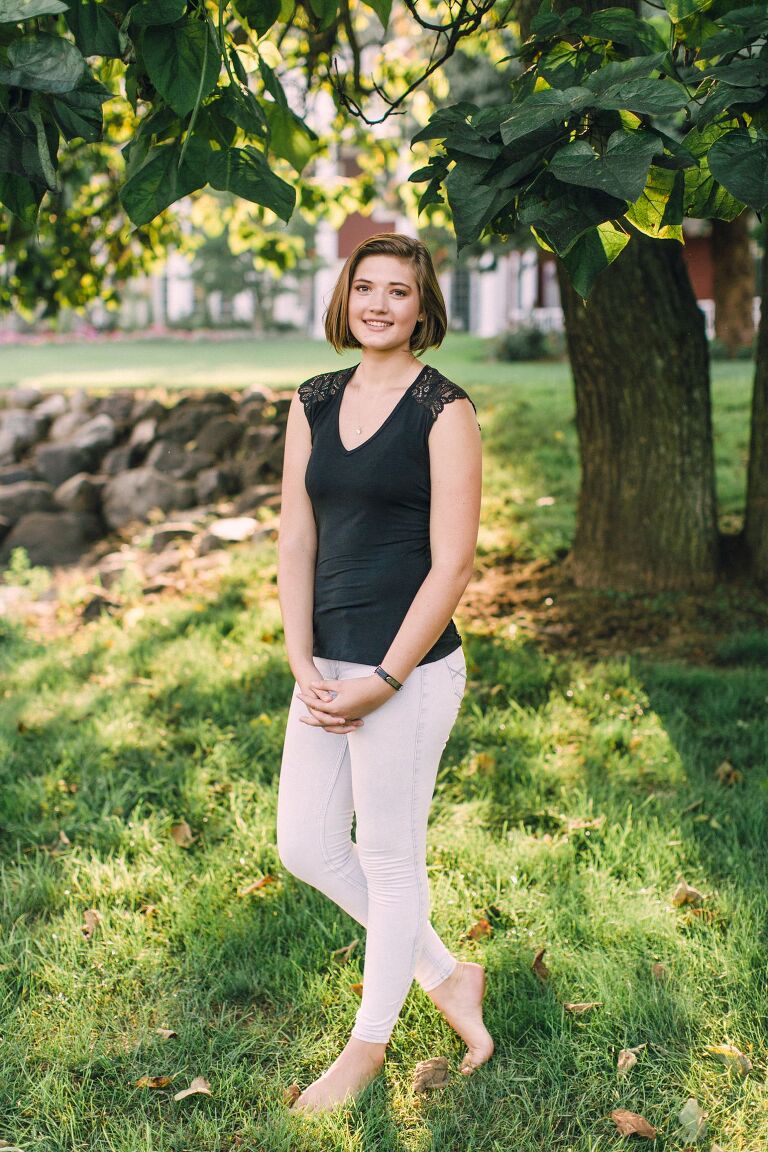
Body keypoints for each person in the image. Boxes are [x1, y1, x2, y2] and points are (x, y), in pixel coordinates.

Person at [276, 232, 492, 1113]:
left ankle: (367, 1049)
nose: (377, 304)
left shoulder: (446, 411)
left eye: (397, 292)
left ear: (422, 307)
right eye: (365, 288)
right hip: (324, 663)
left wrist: (389, 678)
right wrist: (301, 659)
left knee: (389, 858)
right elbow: (296, 534)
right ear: (344, 297)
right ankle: (448, 973)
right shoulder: (313, 400)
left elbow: (454, 566)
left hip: (408, 668)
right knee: (306, 846)